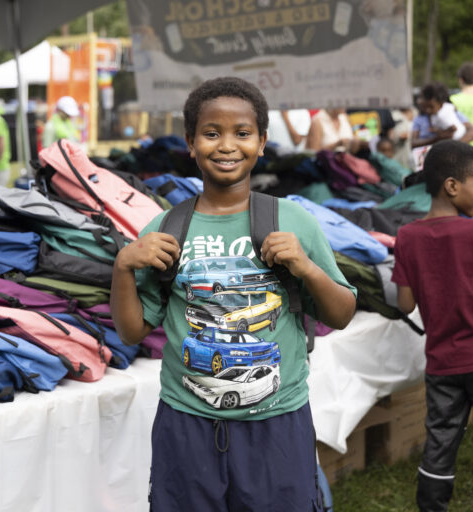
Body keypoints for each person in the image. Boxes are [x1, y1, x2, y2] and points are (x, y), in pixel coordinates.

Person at [110, 76, 357, 511]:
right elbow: (132, 331)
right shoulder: (165, 229)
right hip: (186, 424)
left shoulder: (292, 220)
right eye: (211, 133)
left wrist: (305, 267)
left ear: (262, 142)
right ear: (190, 143)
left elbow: (341, 313)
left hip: (277, 422)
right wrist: (123, 266)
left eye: (242, 133)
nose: (227, 145)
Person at [392, 139, 473, 511]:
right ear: (452, 186)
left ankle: (432, 505)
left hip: (441, 363)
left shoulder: (406, 237)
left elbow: (405, 303)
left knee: (440, 438)